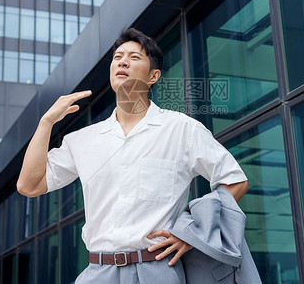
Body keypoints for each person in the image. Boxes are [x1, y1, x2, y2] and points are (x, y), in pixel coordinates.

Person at [17, 28, 249, 283]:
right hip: (97, 271)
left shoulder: (182, 129)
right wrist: (46, 123)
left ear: (154, 76)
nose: (123, 61)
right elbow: (29, 185)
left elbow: (235, 180)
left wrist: (194, 234)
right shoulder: (82, 140)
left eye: (134, 57)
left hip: (158, 271)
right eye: (118, 57)